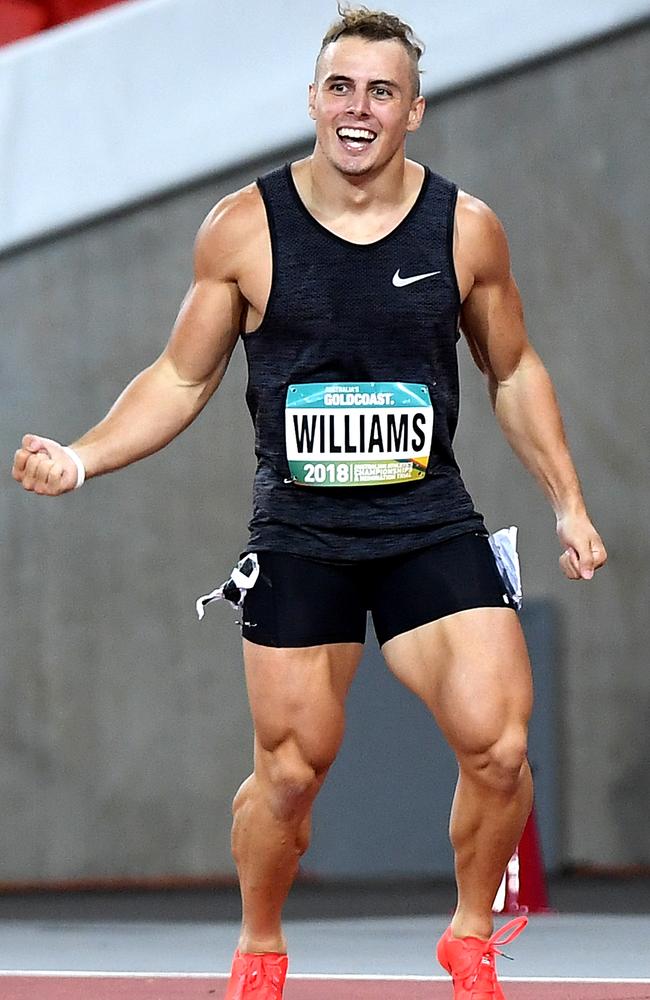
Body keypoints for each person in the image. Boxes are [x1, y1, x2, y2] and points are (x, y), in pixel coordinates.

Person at [12, 6, 607, 999]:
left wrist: (568, 504)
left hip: (428, 524)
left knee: (500, 748)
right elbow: (179, 377)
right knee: (289, 774)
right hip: (300, 533)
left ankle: (467, 933)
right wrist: (80, 459)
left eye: (380, 91)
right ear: (311, 101)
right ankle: (258, 946)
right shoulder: (243, 227)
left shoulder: (465, 228)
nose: (358, 108)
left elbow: (510, 371)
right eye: (340, 87)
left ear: (413, 110)